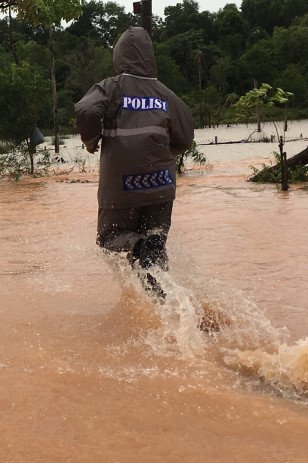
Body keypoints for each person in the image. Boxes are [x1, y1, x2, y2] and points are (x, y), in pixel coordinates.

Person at [74, 27, 194, 297]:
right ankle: (167, 310)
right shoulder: (166, 94)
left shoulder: (112, 87)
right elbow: (186, 136)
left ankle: (138, 247)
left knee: (110, 239)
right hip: (161, 186)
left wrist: (91, 139)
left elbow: (85, 109)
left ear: (120, 56)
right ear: (150, 57)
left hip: (121, 187)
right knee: (156, 248)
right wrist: (166, 152)